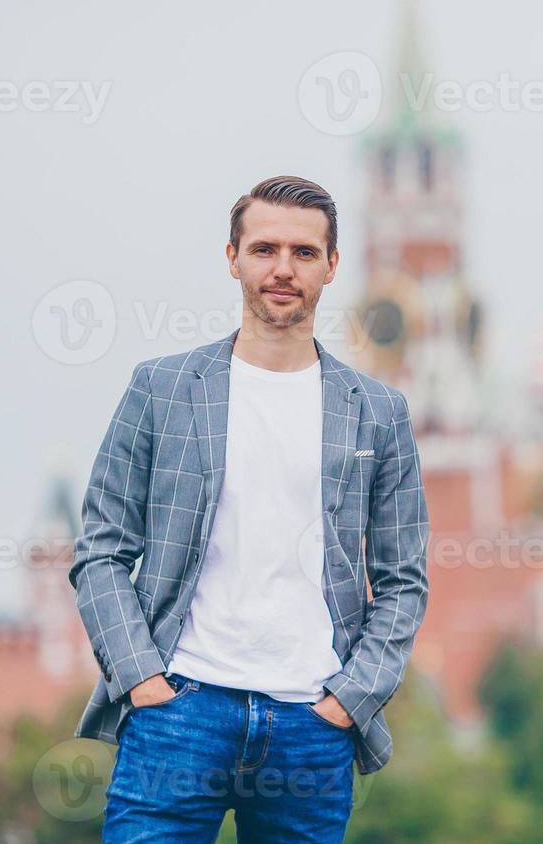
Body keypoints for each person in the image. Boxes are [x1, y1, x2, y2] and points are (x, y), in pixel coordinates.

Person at [70, 175, 430, 842]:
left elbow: (404, 579)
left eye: (303, 252)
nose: (283, 270)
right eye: (264, 249)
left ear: (332, 265)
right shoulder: (163, 388)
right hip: (179, 711)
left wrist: (349, 701)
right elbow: (101, 550)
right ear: (232, 258)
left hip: (311, 726)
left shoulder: (378, 412)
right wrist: (142, 679)